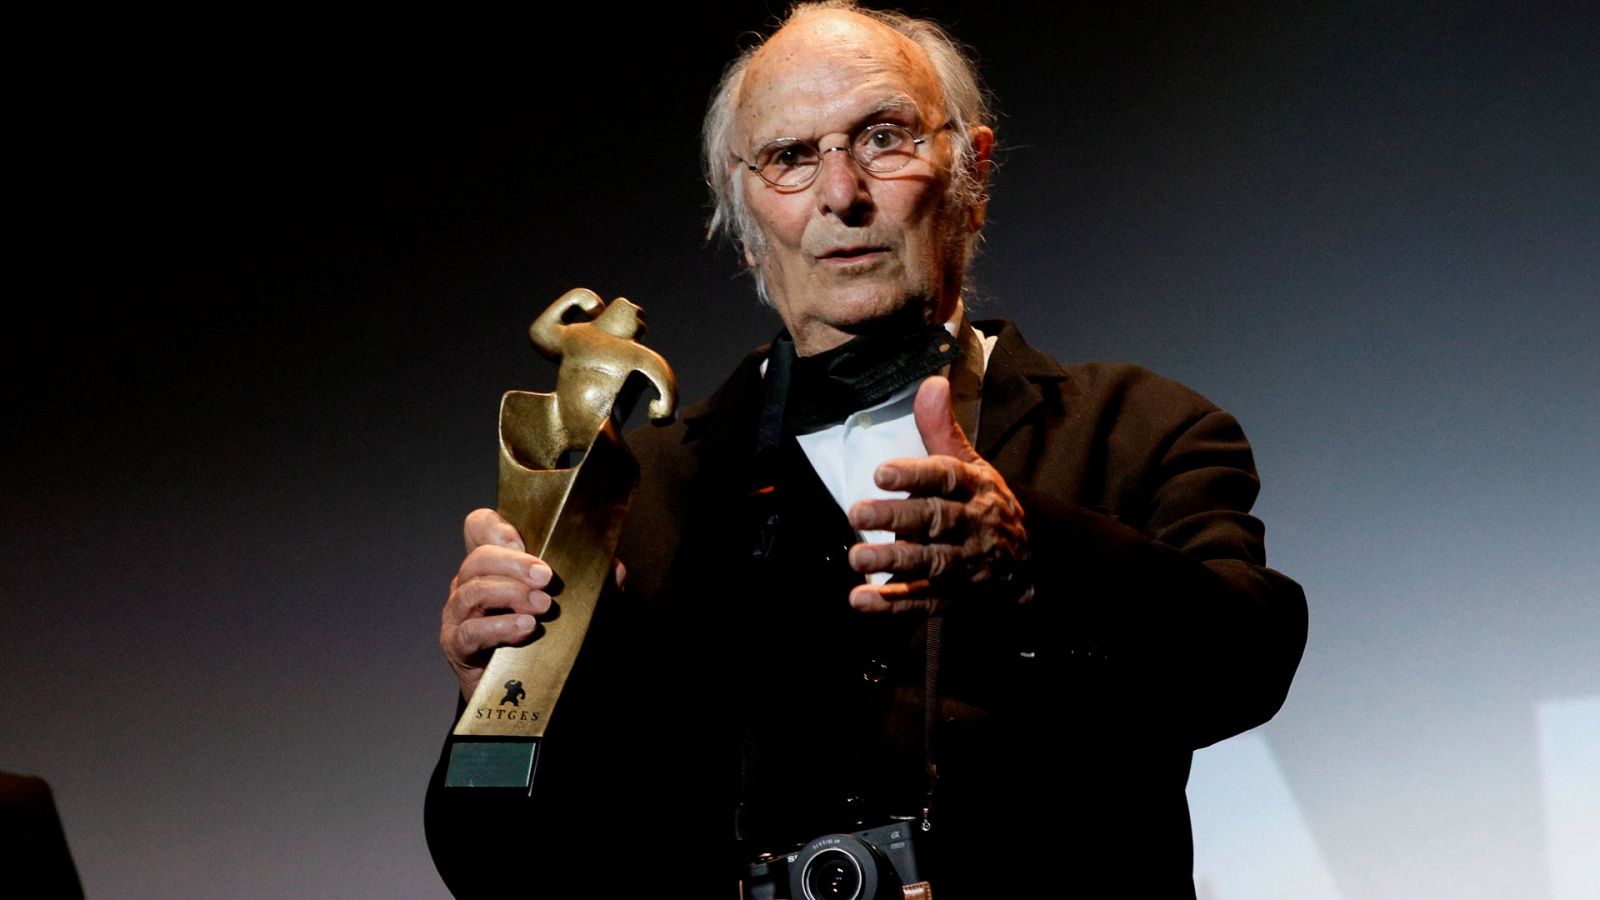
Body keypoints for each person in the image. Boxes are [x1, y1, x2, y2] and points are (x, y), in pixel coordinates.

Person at [425, 3, 1307, 897]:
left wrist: (1037, 565)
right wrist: (499, 700)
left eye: (882, 138)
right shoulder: (638, 496)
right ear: (742, 220)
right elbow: (502, 869)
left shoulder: (1141, 429)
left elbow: (1245, 665)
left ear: (973, 173)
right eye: (791, 157)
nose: (840, 194)